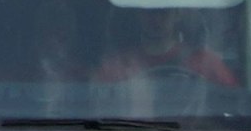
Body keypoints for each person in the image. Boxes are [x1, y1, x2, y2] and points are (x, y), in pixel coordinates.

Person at [96, 8, 239, 87]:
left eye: (164, 12)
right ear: (138, 14)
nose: (156, 19)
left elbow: (232, 102)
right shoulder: (118, 65)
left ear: (177, 14)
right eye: (149, 11)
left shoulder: (206, 62)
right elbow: (99, 106)